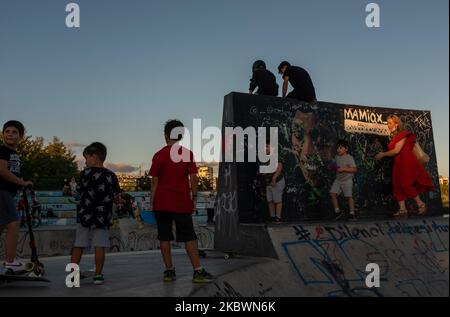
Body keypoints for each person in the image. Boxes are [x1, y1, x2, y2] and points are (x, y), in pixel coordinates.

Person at [149, 119, 213, 283]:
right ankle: (198, 271)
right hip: (180, 202)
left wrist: (152, 202)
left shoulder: (158, 155)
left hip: (161, 202)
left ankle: (169, 271)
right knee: (189, 237)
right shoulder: (187, 154)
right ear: (181, 136)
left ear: (165, 136)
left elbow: (154, 182)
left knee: (164, 237)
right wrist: (194, 199)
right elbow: (193, 180)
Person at [70, 142, 120, 285]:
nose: (85, 162)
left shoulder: (84, 174)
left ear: (95, 157)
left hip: (84, 214)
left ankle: (73, 276)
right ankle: (98, 275)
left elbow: (78, 191)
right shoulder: (111, 175)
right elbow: (117, 197)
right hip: (103, 215)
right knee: (100, 245)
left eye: (86, 158)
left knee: (79, 244)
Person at [375, 115, 434, 218]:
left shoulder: (403, 134)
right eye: (387, 123)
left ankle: (421, 204)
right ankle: (402, 210)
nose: (388, 125)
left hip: (406, 162)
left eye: (390, 123)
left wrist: (383, 154)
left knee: (405, 184)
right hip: (398, 164)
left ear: (396, 124)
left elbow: (397, 150)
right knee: (397, 186)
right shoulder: (394, 137)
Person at [0, 120, 33, 273]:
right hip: (2, 191)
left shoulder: (14, 154)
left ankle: (10, 260)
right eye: (7, 131)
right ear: (3, 134)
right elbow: (2, 171)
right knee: (13, 224)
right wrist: (21, 182)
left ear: (20, 137)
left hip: (7, 193)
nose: (10, 135)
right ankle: (10, 261)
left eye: (14, 132)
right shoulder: (2, 150)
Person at [329, 140, 358, 220]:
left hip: (347, 180)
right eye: (337, 148)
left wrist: (344, 169)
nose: (338, 150)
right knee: (332, 193)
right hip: (338, 180)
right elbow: (335, 166)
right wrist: (332, 166)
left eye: (341, 148)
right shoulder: (336, 157)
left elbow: (354, 169)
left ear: (346, 149)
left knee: (348, 196)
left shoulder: (349, 158)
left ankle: (352, 213)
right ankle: (337, 211)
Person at [260, 143, 285, 223]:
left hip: (277, 182)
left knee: (277, 200)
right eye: (264, 147)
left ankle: (278, 218)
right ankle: (272, 217)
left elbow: (279, 167)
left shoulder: (275, 156)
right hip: (268, 183)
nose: (265, 148)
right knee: (270, 200)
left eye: (267, 146)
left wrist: (274, 178)